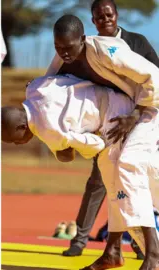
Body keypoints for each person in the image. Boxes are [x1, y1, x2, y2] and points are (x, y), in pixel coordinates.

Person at [2, 73, 159, 270]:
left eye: (13, 139)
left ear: (22, 126)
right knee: (113, 188)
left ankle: (153, 255)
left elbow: (96, 144)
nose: (17, 143)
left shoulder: (48, 130)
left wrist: (64, 152)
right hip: (117, 103)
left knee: (127, 182)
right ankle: (113, 251)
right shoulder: (35, 87)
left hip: (120, 122)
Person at [63, 0, 159, 258]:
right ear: (93, 20)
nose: (105, 19)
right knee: (99, 182)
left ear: (116, 15)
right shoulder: (87, 49)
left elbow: (155, 77)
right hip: (110, 126)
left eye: (109, 14)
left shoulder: (136, 42)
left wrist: (137, 114)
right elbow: (64, 74)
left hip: (141, 119)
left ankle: (140, 245)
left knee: (135, 178)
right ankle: (80, 240)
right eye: (99, 16)